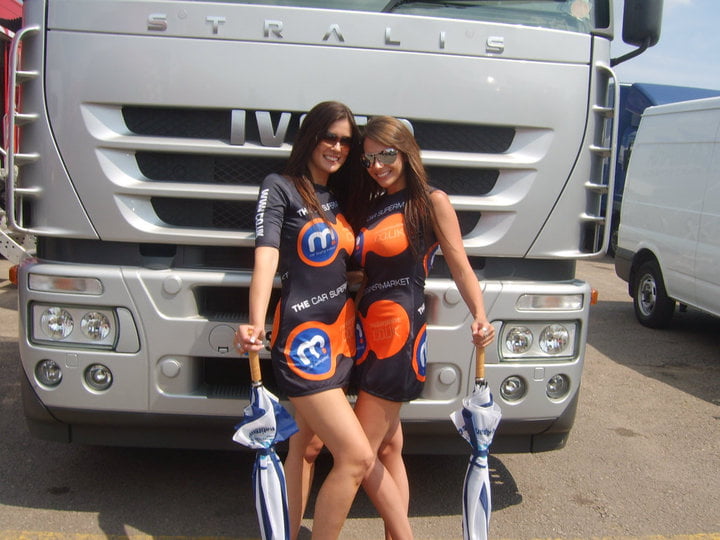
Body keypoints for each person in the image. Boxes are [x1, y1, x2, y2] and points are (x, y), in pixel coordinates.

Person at [234, 102, 413, 540]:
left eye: (345, 141)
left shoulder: (343, 197)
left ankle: (288, 532)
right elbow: (267, 257)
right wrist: (255, 322)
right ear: (310, 136)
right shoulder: (280, 187)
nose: (337, 147)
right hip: (303, 341)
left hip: (343, 341)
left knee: (309, 445)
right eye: (329, 136)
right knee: (355, 456)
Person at [346, 115, 496, 536]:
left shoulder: (432, 201)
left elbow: (461, 266)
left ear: (406, 152)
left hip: (398, 332)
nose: (378, 165)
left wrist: (480, 315)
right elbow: (368, 268)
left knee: (359, 452)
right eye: (370, 158)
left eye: (386, 154)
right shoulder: (374, 205)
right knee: (390, 446)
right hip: (365, 330)